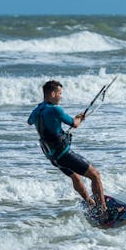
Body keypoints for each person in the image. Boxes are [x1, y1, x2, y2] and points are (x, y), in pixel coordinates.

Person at [27, 80, 107, 214]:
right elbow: (74, 123)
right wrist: (79, 118)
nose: (61, 96)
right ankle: (103, 211)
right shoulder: (55, 109)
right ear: (53, 94)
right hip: (64, 154)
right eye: (59, 93)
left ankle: (90, 202)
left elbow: (30, 121)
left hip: (53, 157)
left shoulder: (38, 110)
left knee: (75, 177)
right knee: (95, 175)